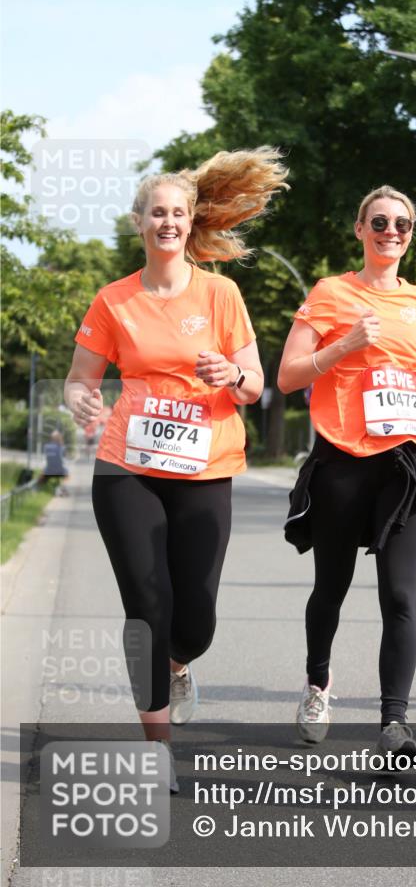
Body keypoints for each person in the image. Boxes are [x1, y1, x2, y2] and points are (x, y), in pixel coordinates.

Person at [65, 148, 287, 789]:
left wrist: (232, 372)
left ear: (192, 223)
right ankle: (156, 747)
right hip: (127, 467)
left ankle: (179, 662)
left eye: (178, 213)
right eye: (157, 212)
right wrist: (81, 400)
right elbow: (81, 380)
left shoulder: (221, 294)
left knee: (195, 620)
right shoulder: (113, 300)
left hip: (205, 466)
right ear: (138, 222)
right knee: (146, 606)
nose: (168, 222)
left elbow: (256, 385)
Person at [278, 185, 416, 760]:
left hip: (404, 462)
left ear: (411, 234)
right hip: (342, 461)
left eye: (402, 224)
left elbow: (395, 370)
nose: (391, 232)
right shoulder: (331, 293)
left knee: (400, 596)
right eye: (379, 222)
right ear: (360, 229)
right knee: (330, 589)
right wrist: (345, 343)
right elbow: (288, 376)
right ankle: (317, 684)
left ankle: (394, 725)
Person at [39, 430, 69, 495]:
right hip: (60, 471)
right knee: (67, 474)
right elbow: (65, 459)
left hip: (48, 471)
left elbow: (45, 459)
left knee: (42, 474)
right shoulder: (62, 447)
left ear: (51, 438)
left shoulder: (46, 447)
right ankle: (62, 487)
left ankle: (38, 488)